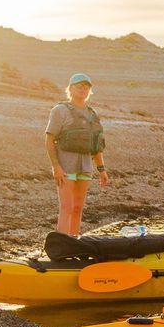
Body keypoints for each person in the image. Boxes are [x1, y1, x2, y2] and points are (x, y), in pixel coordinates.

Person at [45, 73, 109, 236]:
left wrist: (101, 169)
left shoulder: (92, 114)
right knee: (66, 207)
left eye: (86, 87)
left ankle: (74, 241)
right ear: (71, 89)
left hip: (85, 167)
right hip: (65, 167)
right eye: (79, 86)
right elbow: (49, 140)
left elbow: (96, 146)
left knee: (78, 207)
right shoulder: (60, 110)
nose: (83, 90)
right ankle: (62, 244)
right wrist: (56, 167)